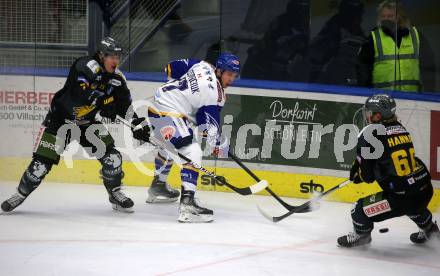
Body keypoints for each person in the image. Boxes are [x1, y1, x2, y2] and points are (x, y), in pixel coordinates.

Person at [1, 37, 150, 213]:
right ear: (101, 56)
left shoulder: (117, 79)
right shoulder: (85, 65)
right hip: (61, 122)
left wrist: (136, 124)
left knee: (113, 158)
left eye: (118, 57)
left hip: (87, 125)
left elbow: (125, 106)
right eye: (112, 56)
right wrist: (106, 102)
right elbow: (82, 95)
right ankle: (20, 194)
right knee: (40, 166)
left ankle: (115, 193)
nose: (115, 61)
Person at [146, 53, 240, 222]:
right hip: (169, 112)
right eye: (229, 74)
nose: (231, 79)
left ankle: (159, 186)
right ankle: (188, 202)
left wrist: (190, 92)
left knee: (167, 146)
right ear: (219, 71)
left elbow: (169, 68)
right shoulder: (215, 95)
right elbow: (209, 132)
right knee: (193, 151)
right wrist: (221, 145)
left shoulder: (202, 65)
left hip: (156, 105)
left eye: (234, 75)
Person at [337, 94, 439, 248]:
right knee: (415, 206)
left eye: (370, 112)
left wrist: (360, 173)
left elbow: (368, 177)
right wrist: (362, 165)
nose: (367, 116)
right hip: (424, 189)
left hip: (402, 198)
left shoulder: (369, 135)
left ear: (378, 115)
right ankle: (430, 229)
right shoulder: (400, 128)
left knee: (357, 210)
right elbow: (387, 155)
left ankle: (361, 236)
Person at [357, 0, 436, 92]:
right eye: (383, 16)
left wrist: (429, 94)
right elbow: (363, 69)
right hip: (382, 98)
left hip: (412, 98)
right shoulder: (373, 38)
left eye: (390, 16)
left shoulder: (416, 36)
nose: (386, 19)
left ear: (399, 17)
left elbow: (429, 67)